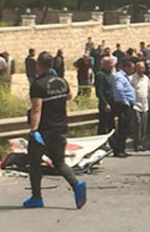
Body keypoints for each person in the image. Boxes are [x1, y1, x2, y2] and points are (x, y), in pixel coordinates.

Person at [23, 51, 86, 209]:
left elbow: (37, 109)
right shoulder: (62, 81)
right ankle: (76, 184)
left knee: (34, 162)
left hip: (44, 130)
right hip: (61, 127)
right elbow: (70, 96)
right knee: (59, 162)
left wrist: (33, 130)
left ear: (39, 65)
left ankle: (36, 197)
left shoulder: (37, 85)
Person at [112, 59, 136, 158]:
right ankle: (118, 150)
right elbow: (119, 89)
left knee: (126, 128)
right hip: (123, 106)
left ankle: (122, 149)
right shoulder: (119, 76)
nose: (132, 70)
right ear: (126, 67)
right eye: (131, 68)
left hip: (127, 104)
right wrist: (125, 102)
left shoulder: (125, 77)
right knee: (123, 128)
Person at [130, 62, 150, 151]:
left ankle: (141, 143)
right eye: (139, 68)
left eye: (142, 68)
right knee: (137, 123)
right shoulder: (131, 78)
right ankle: (136, 143)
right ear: (136, 69)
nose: (141, 70)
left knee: (143, 125)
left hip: (144, 105)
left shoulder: (146, 78)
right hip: (135, 105)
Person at [95, 56, 115, 136]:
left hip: (113, 102)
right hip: (106, 104)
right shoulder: (100, 75)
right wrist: (105, 103)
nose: (112, 66)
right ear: (105, 64)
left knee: (111, 124)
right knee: (103, 124)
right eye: (110, 64)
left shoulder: (111, 75)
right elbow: (99, 91)